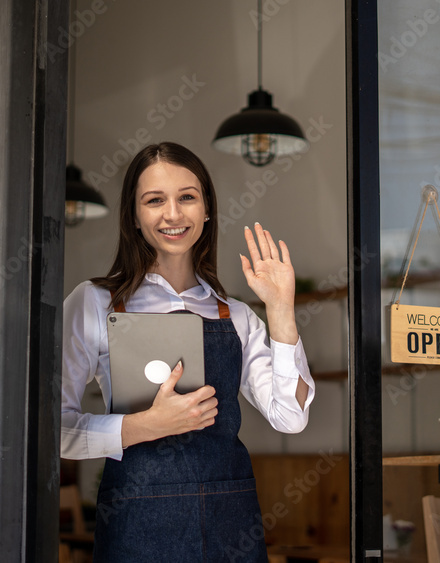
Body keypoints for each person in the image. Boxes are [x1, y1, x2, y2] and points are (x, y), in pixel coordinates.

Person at [61, 142, 315, 562]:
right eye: (155, 200)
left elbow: (290, 416)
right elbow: (55, 430)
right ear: (134, 216)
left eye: (187, 197)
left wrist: (281, 311)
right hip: (138, 525)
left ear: (207, 209)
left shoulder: (237, 315)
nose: (173, 214)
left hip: (231, 522)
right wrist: (144, 426)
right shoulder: (95, 303)